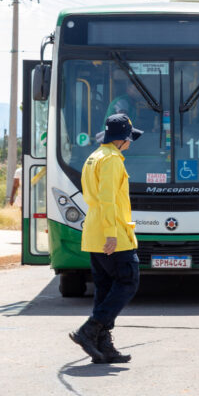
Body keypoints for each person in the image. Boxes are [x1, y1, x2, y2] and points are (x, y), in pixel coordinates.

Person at [69, 114, 143, 364]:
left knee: (105, 288)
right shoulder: (111, 160)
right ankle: (90, 329)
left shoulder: (93, 157)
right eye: (129, 138)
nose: (130, 143)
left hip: (94, 231)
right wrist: (112, 234)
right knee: (128, 281)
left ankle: (103, 346)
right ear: (121, 139)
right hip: (112, 234)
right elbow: (108, 198)